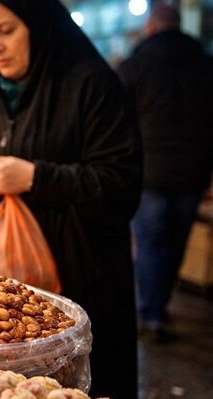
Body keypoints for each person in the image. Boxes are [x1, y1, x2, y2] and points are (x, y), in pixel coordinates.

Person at [0, 0, 142, 399]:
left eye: (6, 31)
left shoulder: (93, 86)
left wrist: (37, 177)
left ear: (39, 26)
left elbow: (121, 181)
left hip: (80, 280)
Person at [118, 5, 213, 341]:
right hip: (193, 172)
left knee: (148, 243)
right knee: (175, 244)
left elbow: (118, 124)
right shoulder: (206, 65)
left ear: (151, 28)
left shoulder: (134, 66)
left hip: (149, 174)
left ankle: (150, 311)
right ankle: (160, 303)